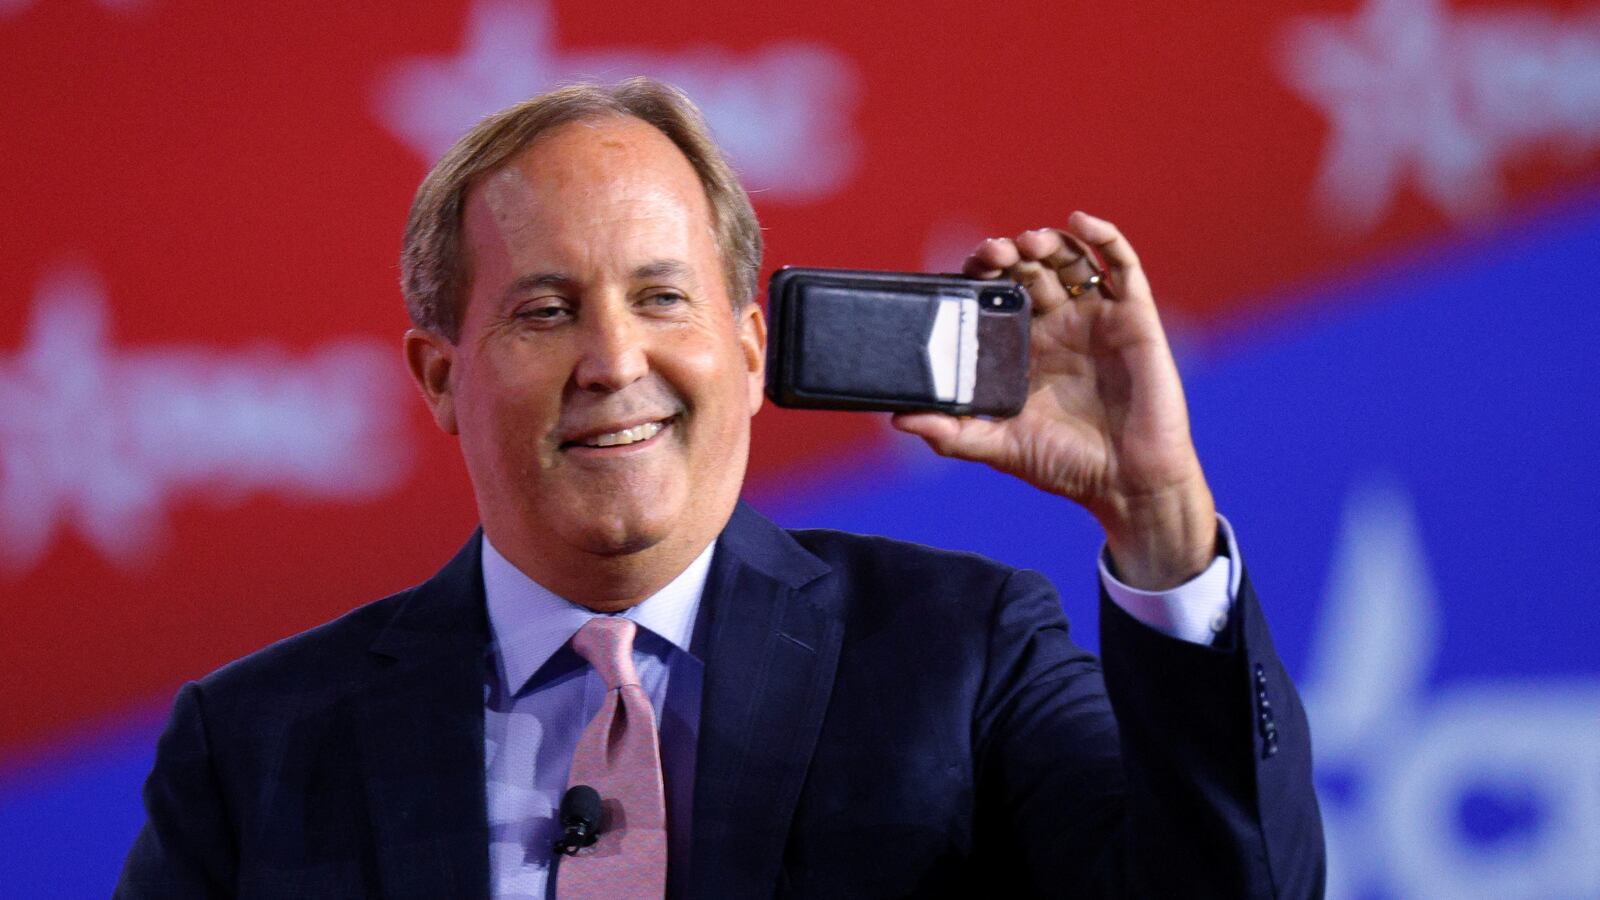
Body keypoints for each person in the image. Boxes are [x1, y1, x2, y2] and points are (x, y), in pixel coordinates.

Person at [116, 78, 1325, 898]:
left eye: (662, 298)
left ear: (750, 351)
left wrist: (1160, 520)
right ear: (439, 374)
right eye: (545, 311)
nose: (613, 364)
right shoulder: (254, 748)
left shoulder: (963, 658)